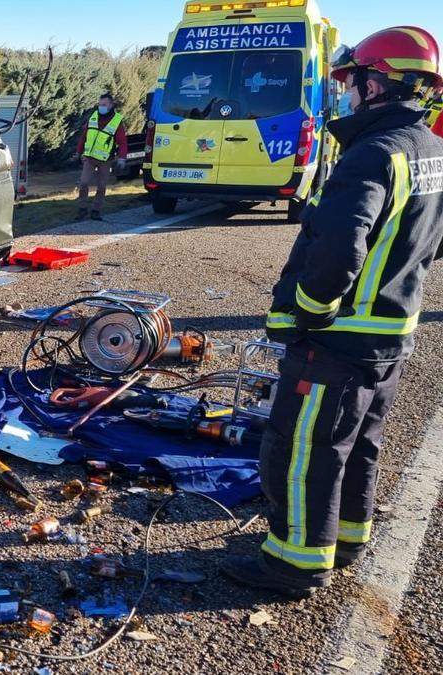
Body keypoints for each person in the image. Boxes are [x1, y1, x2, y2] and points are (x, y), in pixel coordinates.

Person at [220, 26, 443, 599]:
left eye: (351, 82)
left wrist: (309, 312)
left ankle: (294, 565)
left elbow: (341, 246)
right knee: (358, 442)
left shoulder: (373, 154)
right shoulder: (432, 151)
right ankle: (346, 540)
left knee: (300, 451)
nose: (345, 93)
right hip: (391, 334)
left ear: (376, 83)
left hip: (338, 337)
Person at [75, 93, 128, 221]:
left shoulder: (116, 122)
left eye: (104, 105)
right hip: (89, 158)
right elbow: (84, 136)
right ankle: (82, 209)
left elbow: (122, 142)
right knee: (83, 183)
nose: (101, 107)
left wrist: (122, 158)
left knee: (101, 186)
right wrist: (78, 152)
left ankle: (96, 210)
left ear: (111, 105)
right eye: (99, 105)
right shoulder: (93, 117)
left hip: (105, 160)